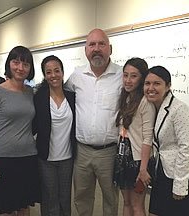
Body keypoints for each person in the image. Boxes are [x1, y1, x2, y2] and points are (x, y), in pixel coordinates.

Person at [65, 28, 122, 216]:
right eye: (92, 44)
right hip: (82, 152)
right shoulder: (76, 76)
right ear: (85, 50)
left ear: (110, 49)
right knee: (81, 197)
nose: (96, 49)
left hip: (109, 152)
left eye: (101, 44)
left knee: (110, 199)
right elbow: (59, 97)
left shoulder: (122, 76)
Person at [0, 46, 40, 216]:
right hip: (3, 159)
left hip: (28, 157)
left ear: (30, 69)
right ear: (9, 64)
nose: (20, 68)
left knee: (24, 205)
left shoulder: (31, 92)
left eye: (26, 64)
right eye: (16, 62)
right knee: (6, 207)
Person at [144, 66, 189, 216]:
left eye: (157, 83)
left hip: (185, 175)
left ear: (168, 86)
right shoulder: (152, 107)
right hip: (164, 171)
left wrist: (180, 185)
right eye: (147, 83)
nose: (151, 88)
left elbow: (186, 148)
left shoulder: (179, 109)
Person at [32, 55, 76, 216]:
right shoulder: (39, 98)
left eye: (56, 71)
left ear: (63, 72)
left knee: (65, 198)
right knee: (50, 199)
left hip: (67, 158)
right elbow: (32, 125)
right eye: (48, 72)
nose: (53, 75)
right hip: (46, 159)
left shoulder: (72, 97)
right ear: (44, 75)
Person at [113, 58, 156, 216]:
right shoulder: (126, 97)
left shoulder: (145, 102)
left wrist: (143, 170)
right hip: (123, 157)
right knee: (126, 203)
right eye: (125, 75)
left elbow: (147, 138)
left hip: (139, 162)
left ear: (142, 78)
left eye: (133, 76)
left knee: (137, 206)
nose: (128, 80)